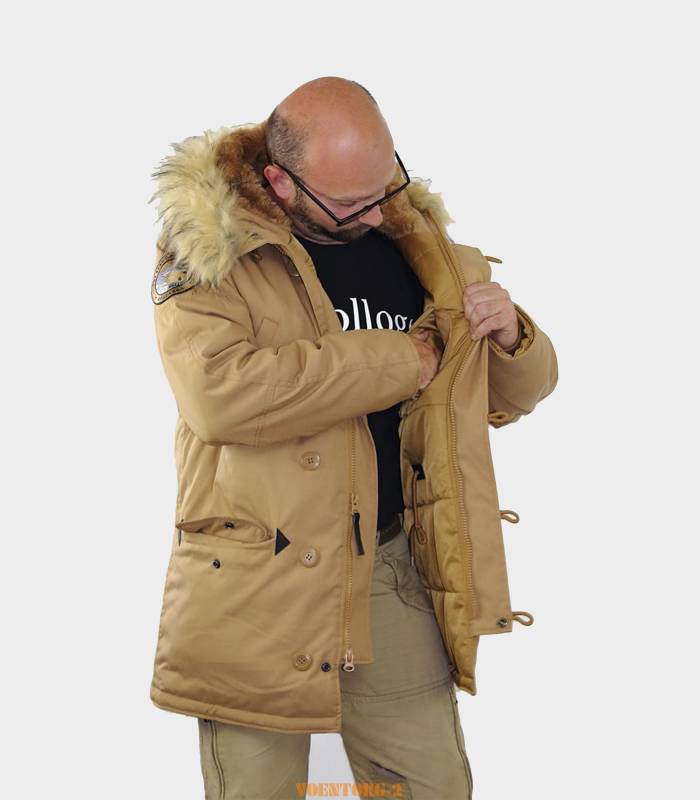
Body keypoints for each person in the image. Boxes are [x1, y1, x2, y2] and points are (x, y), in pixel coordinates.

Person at [148, 76, 558, 799]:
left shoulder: (413, 243)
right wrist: (404, 359)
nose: (375, 213)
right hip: (257, 582)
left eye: (385, 186)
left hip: (390, 568)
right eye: (350, 203)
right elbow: (222, 397)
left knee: (431, 786)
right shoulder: (210, 250)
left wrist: (511, 338)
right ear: (281, 182)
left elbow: (503, 398)